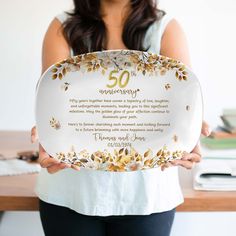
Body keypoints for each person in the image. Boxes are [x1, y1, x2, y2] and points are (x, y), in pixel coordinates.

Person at [31, 0, 211, 235]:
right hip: (70, 192)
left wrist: (189, 132)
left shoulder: (166, 28)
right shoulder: (62, 27)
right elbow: (52, 103)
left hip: (147, 196)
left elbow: (184, 104)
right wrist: (48, 136)